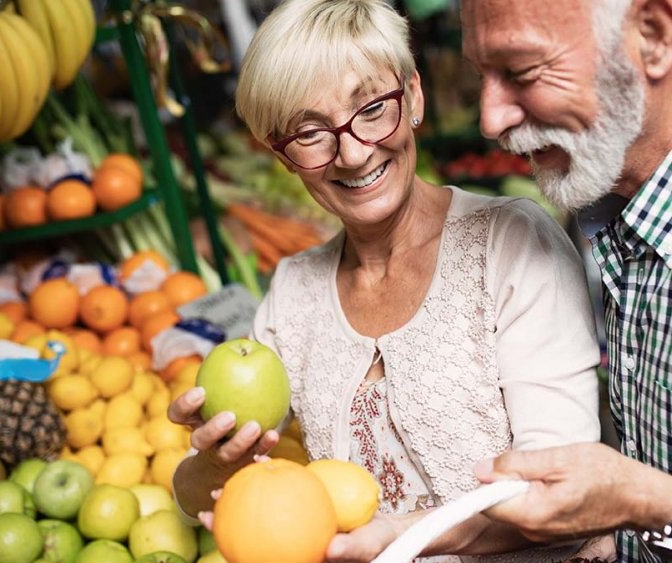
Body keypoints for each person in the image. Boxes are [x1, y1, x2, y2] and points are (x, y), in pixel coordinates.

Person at [169, 0, 603, 560]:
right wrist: (213, 462)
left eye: (372, 108)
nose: (351, 152)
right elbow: (216, 496)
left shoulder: (511, 246)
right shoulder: (293, 295)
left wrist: (395, 538)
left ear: (414, 96)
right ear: (281, 156)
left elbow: (560, 494)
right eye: (309, 132)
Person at [460, 0, 672, 561]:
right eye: (481, 75)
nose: (490, 118)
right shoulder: (627, 203)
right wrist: (622, 540)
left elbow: (659, 499)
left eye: (520, 72)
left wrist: (649, 503)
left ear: (654, 34)